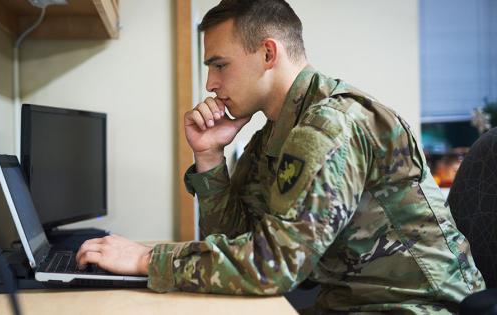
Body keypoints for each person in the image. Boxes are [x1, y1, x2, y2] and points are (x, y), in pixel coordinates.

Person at [76, 0, 485, 313]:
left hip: (414, 307)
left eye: (219, 65)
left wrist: (147, 259)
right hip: (347, 303)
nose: (210, 83)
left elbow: (275, 266)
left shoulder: (328, 126)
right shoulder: (277, 129)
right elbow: (235, 239)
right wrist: (210, 157)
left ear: (268, 54)